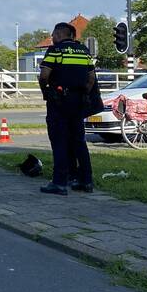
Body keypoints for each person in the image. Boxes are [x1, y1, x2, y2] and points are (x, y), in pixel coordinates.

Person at [38, 22, 96, 195]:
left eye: (53, 35)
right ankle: (86, 181)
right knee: (79, 142)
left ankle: (59, 183)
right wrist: (84, 93)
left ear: (59, 34)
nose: (52, 38)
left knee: (59, 140)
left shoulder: (55, 50)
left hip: (59, 102)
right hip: (78, 101)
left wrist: (45, 91)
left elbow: (44, 75)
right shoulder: (84, 51)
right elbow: (91, 78)